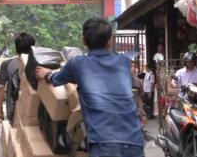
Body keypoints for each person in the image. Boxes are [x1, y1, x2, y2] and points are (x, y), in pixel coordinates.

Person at [36, 17, 144, 157]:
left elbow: (56, 79)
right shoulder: (124, 62)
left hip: (103, 143)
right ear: (110, 40)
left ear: (83, 40)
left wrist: (46, 74)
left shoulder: (78, 64)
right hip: (134, 140)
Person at [0, 32, 36, 124]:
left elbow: (1, 87)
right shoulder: (39, 63)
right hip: (35, 110)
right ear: (33, 47)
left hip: (14, 110)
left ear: (16, 48)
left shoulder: (7, 64)